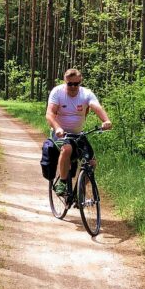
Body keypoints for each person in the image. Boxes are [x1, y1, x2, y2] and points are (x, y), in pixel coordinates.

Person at [45, 68, 111, 196]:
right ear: (65, 82)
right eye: (70, 84)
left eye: (76, 83)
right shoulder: (57, 92)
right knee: (67, 149)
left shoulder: (86, 93)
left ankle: (79, 191)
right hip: (60, 133)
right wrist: (57, 128)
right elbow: (50, 113)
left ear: (80, 82)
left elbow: (96, 107)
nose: (73, 86)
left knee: (91, 163)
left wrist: (106, 120)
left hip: (78, 134)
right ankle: (63, 182)